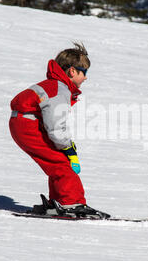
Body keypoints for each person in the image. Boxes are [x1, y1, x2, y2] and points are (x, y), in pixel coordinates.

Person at [9, 42, 109, 219]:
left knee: (57, 161)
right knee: (61, 164)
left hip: (24, 123)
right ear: (72, 71)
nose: (85, 78)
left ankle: (59, 202)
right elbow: (55, 125)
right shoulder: (58, 89)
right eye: (84, 73)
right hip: (27, 126)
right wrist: (67, 146)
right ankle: (71, 203)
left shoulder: (54, 85)